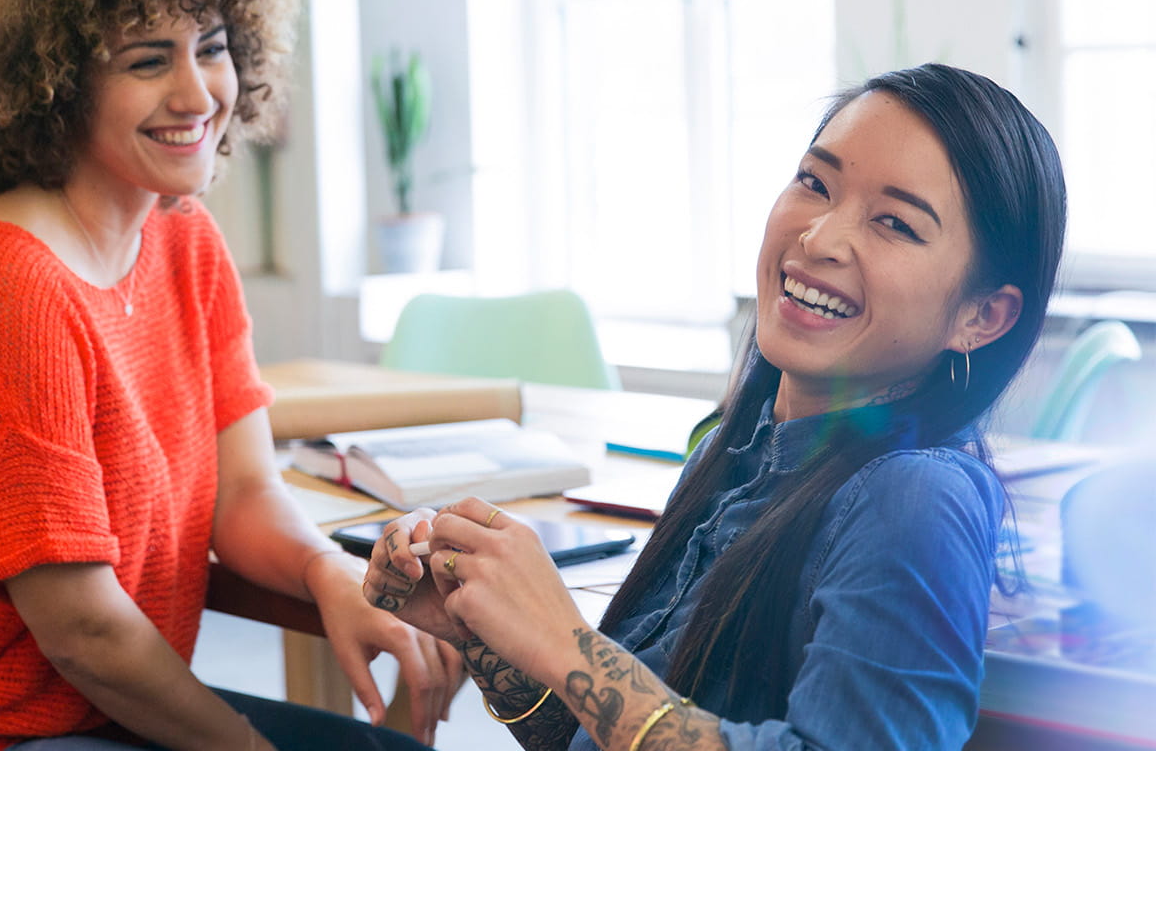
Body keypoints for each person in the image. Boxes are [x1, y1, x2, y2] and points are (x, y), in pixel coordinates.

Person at [0, 0, 462, 751]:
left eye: (211, 46)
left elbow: (242, 493)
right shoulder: (2, 281)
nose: (197, 93)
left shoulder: (182, 237)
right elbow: (82, 630)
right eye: (146, 60)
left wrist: (327, 573)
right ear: (55, 80)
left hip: (91, 717)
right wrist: (251, 759)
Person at [363, 65, 1068, 752]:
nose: (819, 238)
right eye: (815, 183)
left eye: (894, 223)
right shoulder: (731, 450)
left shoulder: (917, 499)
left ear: (982, 316)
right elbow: (595, 743)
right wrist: (487, 630)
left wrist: (568, 644)